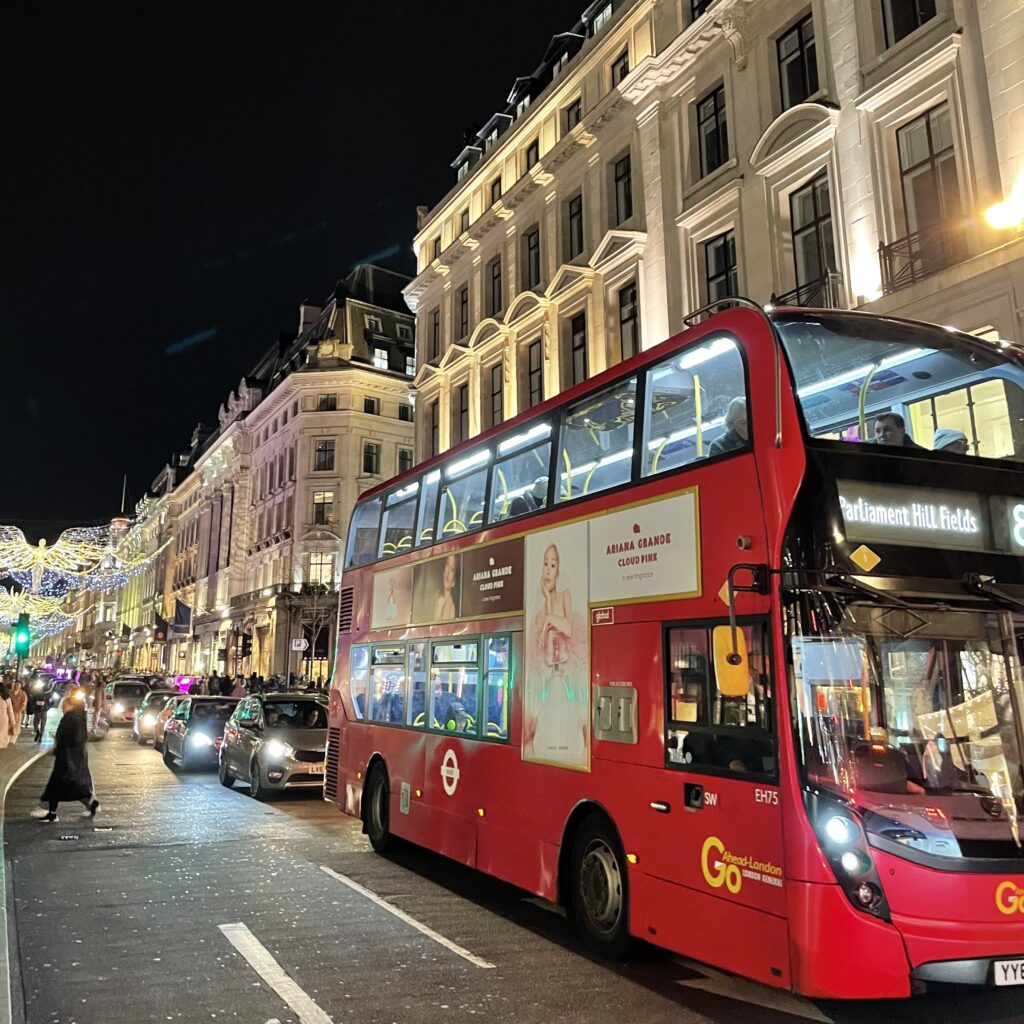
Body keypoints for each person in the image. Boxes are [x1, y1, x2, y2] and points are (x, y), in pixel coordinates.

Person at [32, 696, 99, 823]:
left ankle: (49, 811)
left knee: (60, 785)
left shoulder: (71, 718)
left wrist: (61, 748)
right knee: (67, 786)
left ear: (71, 705)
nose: (62, 707)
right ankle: (89, 803)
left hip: (67, 758)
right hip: (72, 758)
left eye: (65, 705)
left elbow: (69, 738)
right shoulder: (78, 718)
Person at [433, 554, 458, 621]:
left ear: (454, 582)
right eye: (447, 565)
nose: (448, 571)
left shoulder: (451, 606)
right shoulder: (436, 597)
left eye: (452, 569)